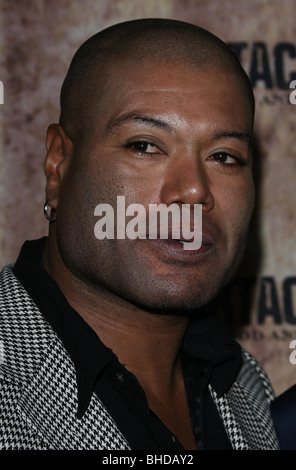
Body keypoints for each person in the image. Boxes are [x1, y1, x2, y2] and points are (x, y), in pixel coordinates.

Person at [0, 18, 279, 450]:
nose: (193, 190)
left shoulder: (245, 385)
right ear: (58, 165)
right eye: (145, 145)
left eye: (224, 156)